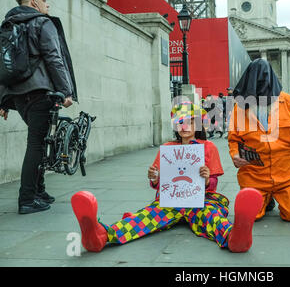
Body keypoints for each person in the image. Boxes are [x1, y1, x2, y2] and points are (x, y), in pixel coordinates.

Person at [71, 101, 263, 253]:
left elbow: (213, 182)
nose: (185, 125)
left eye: (190, 121)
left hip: (202, 199)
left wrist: (205, 179)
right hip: (170, 200)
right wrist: (154, 177)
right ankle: (100, 235)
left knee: (211, 217)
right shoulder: (168, 148)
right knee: (143, 218)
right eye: (181, 121)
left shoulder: (209, 147)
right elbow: (158, 182)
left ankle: (236, 235)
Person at [0, 0, 77, 214]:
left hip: (19, 97)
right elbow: (54, 58)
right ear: (34, 3)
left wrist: (3, 102)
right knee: (37, 144)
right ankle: (27, 199)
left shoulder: (9, 26)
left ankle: (39, 191)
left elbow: (4, 66)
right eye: (44, 0)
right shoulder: (43, 23)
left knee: (40, 142)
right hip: (42, 93)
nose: (47, 5)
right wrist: (66, 91)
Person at [227, 58, 290, 222]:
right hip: (255, 174)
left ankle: (288, 196)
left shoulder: (288, 101)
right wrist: (235, 155)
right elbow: (234, 139)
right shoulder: (240, 107)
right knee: (249, 215)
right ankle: (266, 198)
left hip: (288, 173)